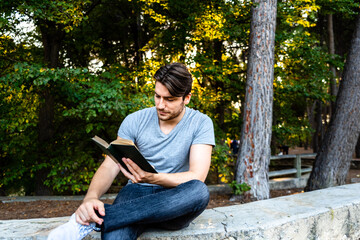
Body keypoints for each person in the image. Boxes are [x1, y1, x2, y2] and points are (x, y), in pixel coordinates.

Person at [48, 62, 215, 240]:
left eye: (169, 99)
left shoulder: (201, 123)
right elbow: (110, 165)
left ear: (186, 98)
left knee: (199, 191)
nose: (160, 105)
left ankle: (100, 220)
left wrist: (155, 178)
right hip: (136, 195)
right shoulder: (135, 120)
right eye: (157, 96)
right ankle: (114, 217)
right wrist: (90, 198)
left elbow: (197, 175)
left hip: (173, 202)